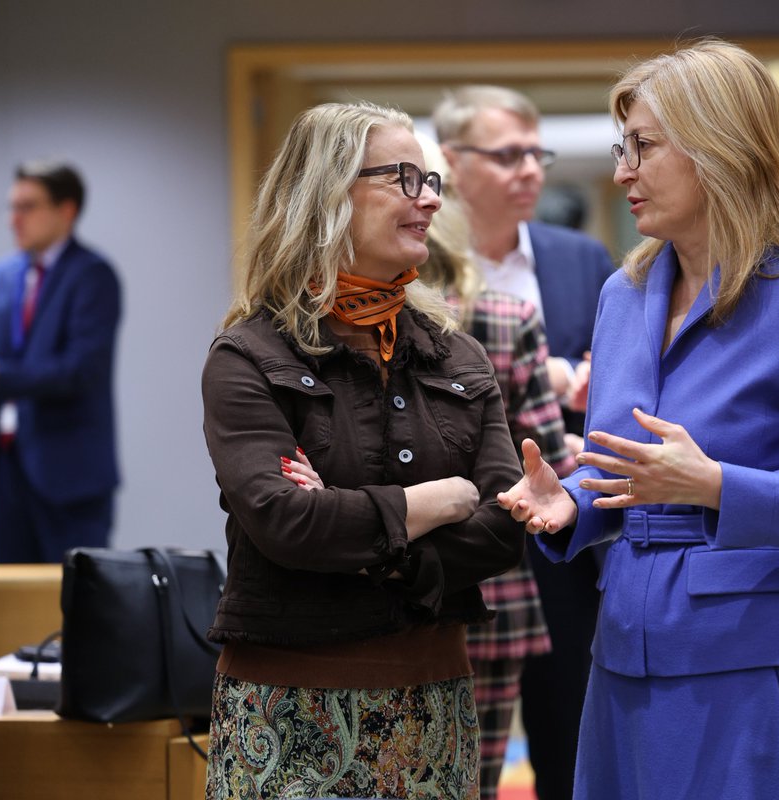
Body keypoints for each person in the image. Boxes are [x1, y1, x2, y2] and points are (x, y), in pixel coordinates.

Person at [497, 39, 779, 800]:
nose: (623, 173)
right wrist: (573, 503)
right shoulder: (622, 297)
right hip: (628, 659)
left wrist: (715, 485)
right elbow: (633, 473)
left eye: (643, 147)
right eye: (621, 149)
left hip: (764, 668)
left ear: (718, 149)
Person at [200, 101, 524, 800]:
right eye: (403, 178)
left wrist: (363, 531)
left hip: (435, 709)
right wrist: (432, 503)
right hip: (286, 715)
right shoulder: (248, 355)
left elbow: (503, 525)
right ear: (327, 194)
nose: (430, 199)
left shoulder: (457, 355)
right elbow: (287, 522)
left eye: (430, 180)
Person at [433, 86, 613, 800]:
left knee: (572, 740)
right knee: (462, 758)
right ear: (452, 161)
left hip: (566, 532)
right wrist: (553, 377)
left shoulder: (582, 259)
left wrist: (590, 385)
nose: (530, 170)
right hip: (469, 533)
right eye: (508, 155)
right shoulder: (422, 265)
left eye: (537, 154)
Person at [415, 133, 576, 800]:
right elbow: (548, 466)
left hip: (379, 581)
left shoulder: (352, 326)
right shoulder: (507, 319)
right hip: (496, 589)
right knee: (474, 782)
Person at [0, 161, 122, 564]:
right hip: (7, 465)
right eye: (11, 207)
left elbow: (80, 370)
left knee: (71, 595)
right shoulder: (4, 274)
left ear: (66, 210)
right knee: (13, 594)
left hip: (70, 474)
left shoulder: (94, 275)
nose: (13, 219)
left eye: (27, 206)